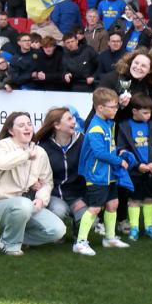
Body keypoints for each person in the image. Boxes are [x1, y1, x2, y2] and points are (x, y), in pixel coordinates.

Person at [0, 112, 67, 256]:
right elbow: (0, 163)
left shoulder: (39, 152)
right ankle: (10, 245)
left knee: (58, 230)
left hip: (27, 206)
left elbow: (47, 182)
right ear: (11, 130)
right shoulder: (2, 145)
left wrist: (41, 199)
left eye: (29, 124)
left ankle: (15, 237)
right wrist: (26, 155)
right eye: (21, 125)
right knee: (23, 205)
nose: (27, 128)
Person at [75, 88, 132, 251]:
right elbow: (100, 152)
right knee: (95, 208)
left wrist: (119, 151)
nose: (116, 110)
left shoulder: (106, 123)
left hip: (108, 174)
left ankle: (109, 238)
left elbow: (108, 147)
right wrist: (119, 161)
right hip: (97, 175)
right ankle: (80, 242)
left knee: (113, 203)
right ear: (100, 108)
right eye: (113, 107)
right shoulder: (95, 128)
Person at [33, 107, 91, 253]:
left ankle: (77, 232)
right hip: (55, 194)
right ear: (57, 125)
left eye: (73, 118)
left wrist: (85, 199)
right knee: (58, 210)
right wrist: (36, 181)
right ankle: (57, 231)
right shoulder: (43, 146)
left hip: (77, 194)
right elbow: (36, 171)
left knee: (87, 216)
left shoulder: (83, 141)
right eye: (69, 119)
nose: (74, 121)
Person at [117, 94, 152, 242]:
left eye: (150, 112)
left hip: (151, 171)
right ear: (134, 111)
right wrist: (137, 165)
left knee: (149, 199)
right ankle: (134, 228)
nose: (148, 115)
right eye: (145, 112)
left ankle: (149, 227)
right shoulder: (124, 127)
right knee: (134, 200)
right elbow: (122, 150)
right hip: (135, 172)